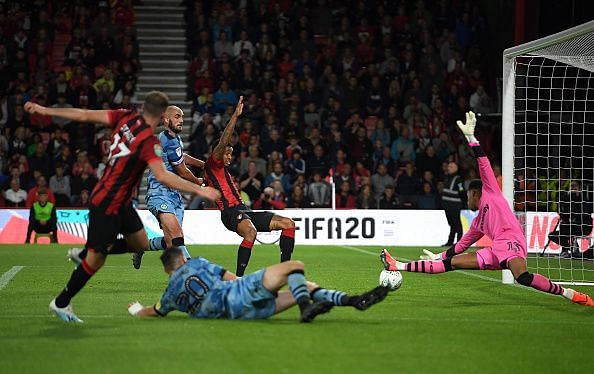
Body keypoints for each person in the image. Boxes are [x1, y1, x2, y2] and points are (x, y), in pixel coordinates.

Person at [25, 91, 221, 323]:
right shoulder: (149, 142)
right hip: (108, 202)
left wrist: (45, 110)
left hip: (122, 202)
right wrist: (200, 189)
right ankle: (61, 302)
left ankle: (88, 251)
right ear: (161, 116)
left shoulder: (124, 117)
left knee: (139, 243)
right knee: (96, 261)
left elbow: (85, 114)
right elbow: (164, 176)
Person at [380, 111, 594, 307]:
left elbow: (483, 163)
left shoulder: (490, 191)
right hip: (496, 251)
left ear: (474, 193)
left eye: (468, 197)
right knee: (450, 263)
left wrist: (471, 138)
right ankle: (396, 265)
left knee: (523, 277)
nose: (467, 201)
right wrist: (440, 255)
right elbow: (461, 245)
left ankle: (569, 294)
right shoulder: (478, 223)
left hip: (512, 241)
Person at [127, 247, 389, 322]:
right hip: (239, 293)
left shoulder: (170, 294)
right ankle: (305, 308)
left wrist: (137, 309)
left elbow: (156, 311)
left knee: (304, 286)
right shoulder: (195, 263)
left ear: (166, 269)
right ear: (182, 259)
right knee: (294, 267)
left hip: (242, 315)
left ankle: (354, 301)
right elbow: (230, 277)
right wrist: (259, 282)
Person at [204, 97, 297, 276]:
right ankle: (238, 279)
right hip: (230, 213)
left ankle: (285, 271)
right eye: (228, 154)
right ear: (218, 153)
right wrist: (235, 117)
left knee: (288, 224)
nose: (230, 158)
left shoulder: (221, 170)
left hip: (244, 210)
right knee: (251, 233)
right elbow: (224, 141)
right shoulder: (213, 163)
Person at [133, 105, 206, 268]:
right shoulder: (167, 139)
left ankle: (140, 246)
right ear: (166, 120)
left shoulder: (174, 139)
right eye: (177, 117)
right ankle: (191, 270)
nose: (181, 120)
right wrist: (199, 182)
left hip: (174, 196)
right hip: (159, 193)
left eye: (182, 117)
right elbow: (182, 170)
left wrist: (203, 164)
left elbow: (182, 156)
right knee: (176, 235)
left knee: (170, 241)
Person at [548, 181, 594, 258]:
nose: (573, 191)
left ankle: (566, 250)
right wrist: (568, 197)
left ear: (579, 190)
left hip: (583, 227)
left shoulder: (584, 200)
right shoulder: (565, 199)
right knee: (553, 234)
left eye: (575, 189)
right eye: (571, 189)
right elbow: (562, 210)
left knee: (564, 228)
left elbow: (585, 213)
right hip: (571, 227)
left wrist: (578, 198)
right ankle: (570, 248)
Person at [440, 160, 464, 246]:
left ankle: (459, 243)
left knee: (457, 223)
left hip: (454, 205)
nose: (448, 168)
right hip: (447, 205)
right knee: (452, 224)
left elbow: (462, 191)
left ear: (456, 168)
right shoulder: (447, 177)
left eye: (451, 167)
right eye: (448, 167)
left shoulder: (458, 179)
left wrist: (463, 202)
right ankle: (450, 242)